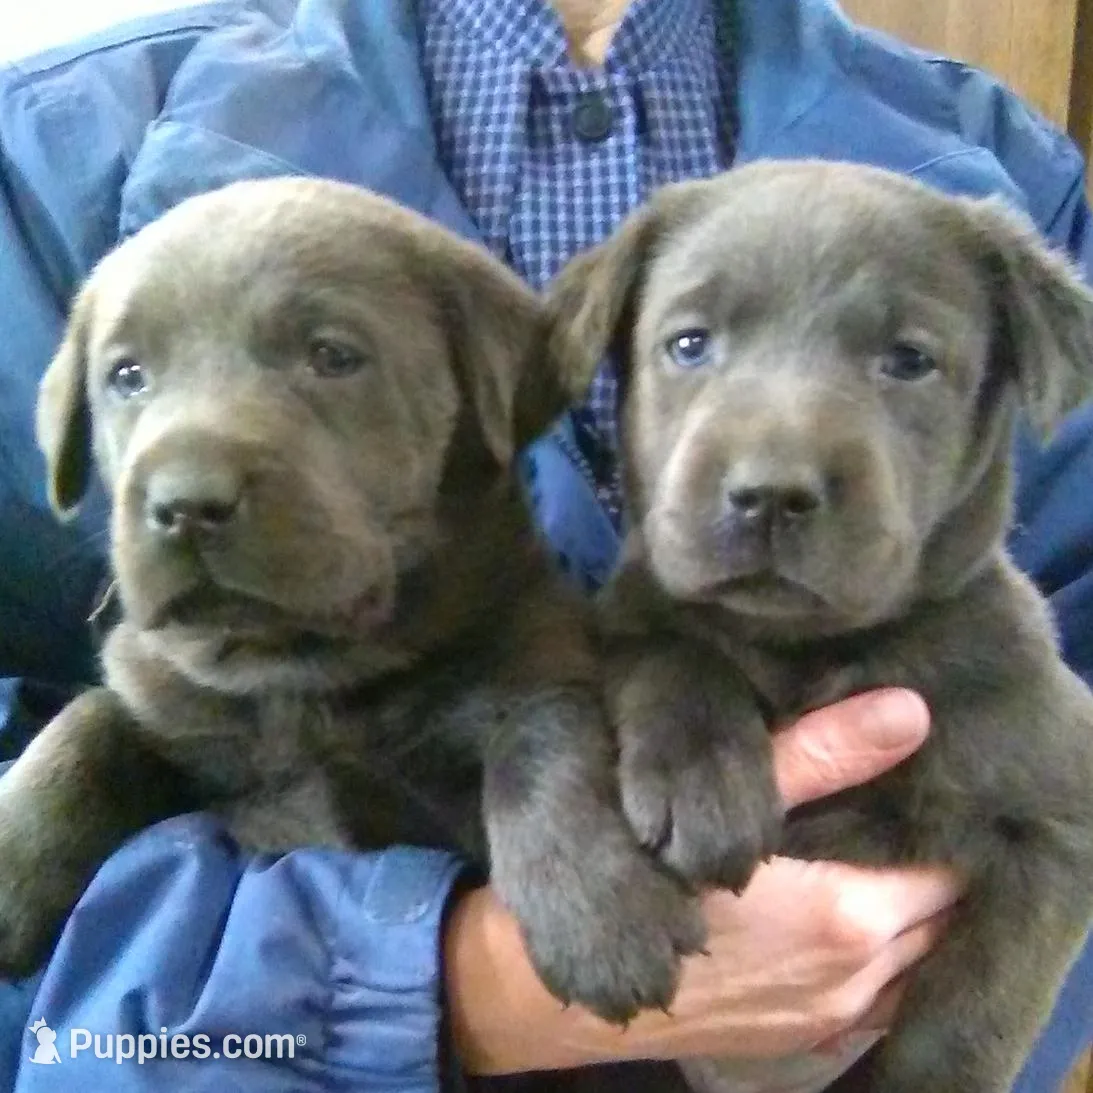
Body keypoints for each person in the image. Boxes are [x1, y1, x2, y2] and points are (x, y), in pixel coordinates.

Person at [0, 1, 1090, 1090]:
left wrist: (914, 1026)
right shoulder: (55, 153)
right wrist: (445, 988)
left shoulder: (1012, 174)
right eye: (691, 343)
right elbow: (44, 1004)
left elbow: (1060, 831)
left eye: (905, 360)